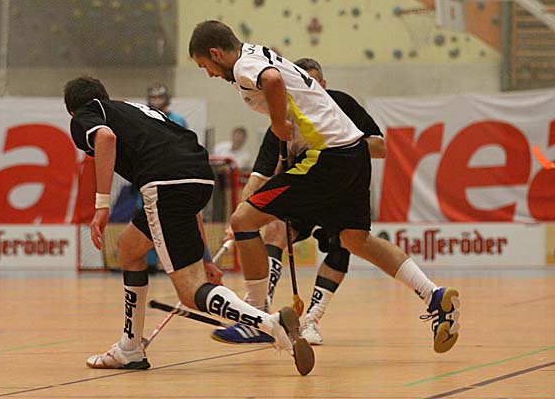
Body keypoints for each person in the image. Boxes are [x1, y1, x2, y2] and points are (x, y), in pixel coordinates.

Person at [189, 21, 461, 354]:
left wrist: (278, 122)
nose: (210, 74)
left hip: (326, 156)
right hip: (353, 153)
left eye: (205, 66)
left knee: (243, 221)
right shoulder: (258, 54)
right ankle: (433, 295)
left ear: (215, 53)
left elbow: (272, 81)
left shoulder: (245, 66)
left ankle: (254, 319)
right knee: (355, 239)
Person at [64, 75, 314, 374]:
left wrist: (102, 206)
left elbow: (105, 138)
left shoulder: (86, 115)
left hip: (165, 184)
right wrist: (204, 257)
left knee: (191, 292)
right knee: (129, 248)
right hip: (198, 177)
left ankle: (269, 323)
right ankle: (130, 348)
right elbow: (185, 203)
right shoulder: (132, 111)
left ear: (72, 111)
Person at [212, 57, 387, 346]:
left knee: (343, 242)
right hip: (304, 191)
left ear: (323, 86)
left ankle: (312, 320)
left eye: (315, 85)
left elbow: (380, 147)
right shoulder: (284, 117)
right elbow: (259, 175)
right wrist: (239, 218)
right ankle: (261, 312)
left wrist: (340, 144)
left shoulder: (343, 104)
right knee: (275, 230)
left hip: (337, 184)